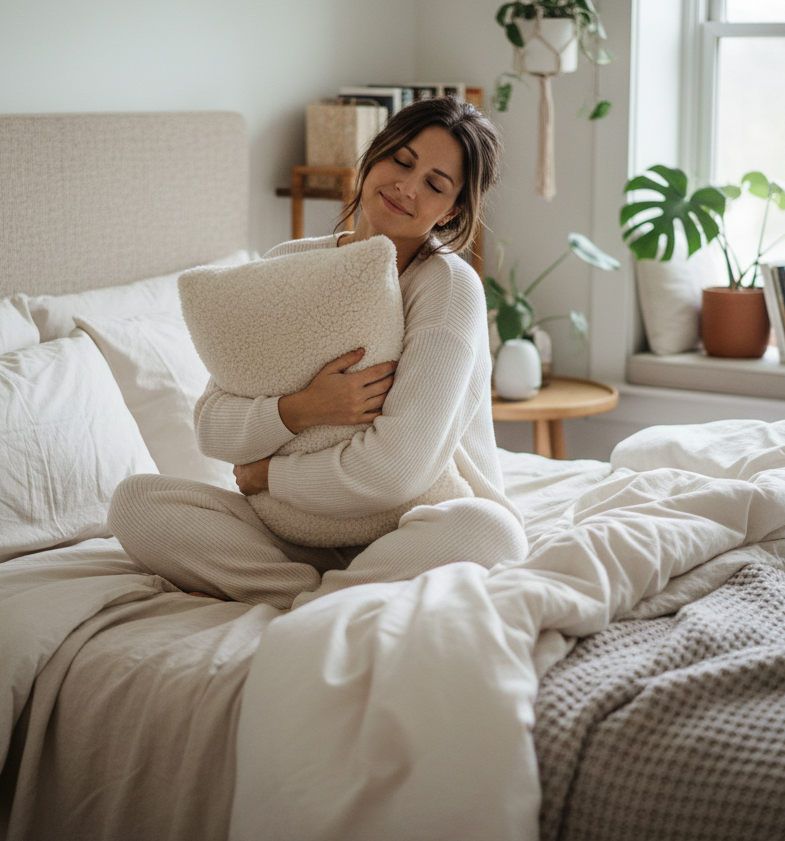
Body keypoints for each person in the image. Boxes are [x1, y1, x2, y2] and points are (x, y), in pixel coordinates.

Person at [108, 97, 528, 609]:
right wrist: (303, 408)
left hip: (407, 530)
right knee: (134, 503)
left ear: (452, 210)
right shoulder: (289, 264)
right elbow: (212, 425)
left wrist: (269, 474)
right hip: (286, 535)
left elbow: (396, 472)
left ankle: (303, 600)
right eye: (402, 160)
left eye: (436, 185)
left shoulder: (448, 288)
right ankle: (321, 596)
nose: (407, 186)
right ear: (375, 154)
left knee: (490, 532)